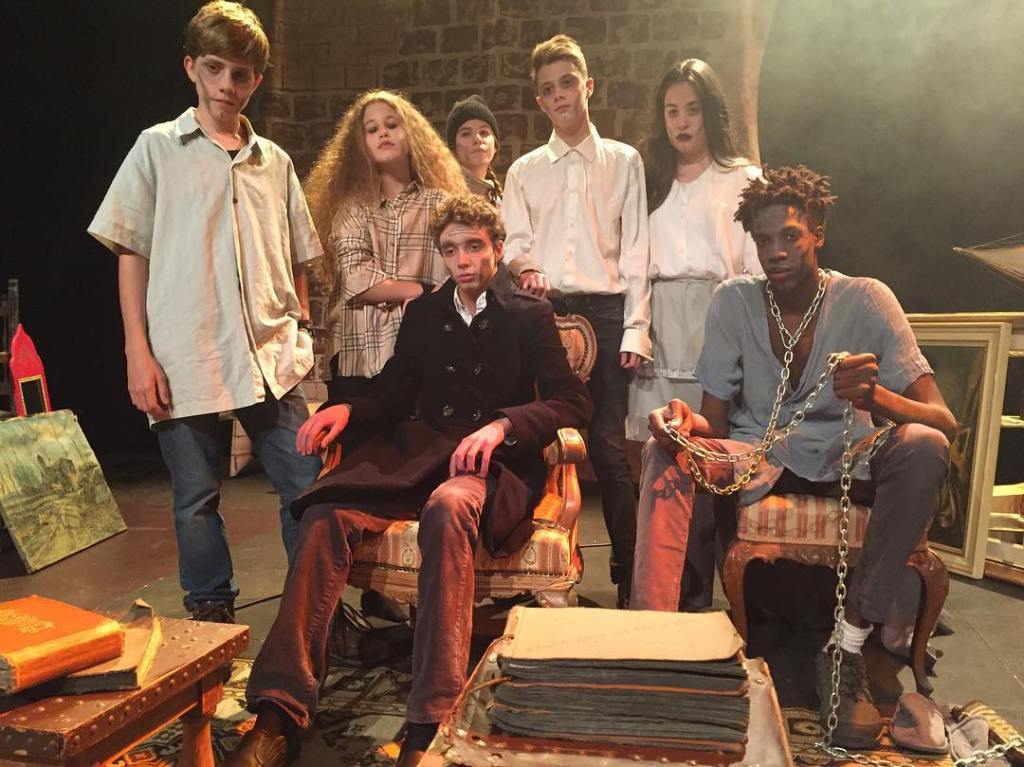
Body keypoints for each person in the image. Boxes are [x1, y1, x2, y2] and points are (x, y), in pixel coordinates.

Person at [226, 195, 591, 767]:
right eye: (450, 249)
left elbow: (572, 401)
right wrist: (350, 409)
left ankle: (430, 721)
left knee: (449, 508)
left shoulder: (528, 314)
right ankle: (280, 709)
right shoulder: (426, 312)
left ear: (497, 249)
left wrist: (503, 425)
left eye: (474, 246)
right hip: (421, 452)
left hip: (490, 464)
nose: (462, 260)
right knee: (325, 514)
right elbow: (395, 389)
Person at [633, 165, 955, 748]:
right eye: (763, 240)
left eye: (790, 236)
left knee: (925, 445)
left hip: (850, 455)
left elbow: (943, 419)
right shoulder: (734, 301)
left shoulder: (865, 298)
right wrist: (681, 422)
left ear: (818, 233)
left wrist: (877, 398)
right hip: (761, 452)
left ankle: (848, 646)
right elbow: (715, 423)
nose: (775, 251)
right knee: (664, 452)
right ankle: (653, 648)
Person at [87, 1, 322, 623]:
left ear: (256, 80)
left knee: (305, 488)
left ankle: (309, 612)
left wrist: (298, 323)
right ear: (191, 66)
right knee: (195, 496)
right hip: (183, 350)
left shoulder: (274, 161)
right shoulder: (157, 148)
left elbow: (297, 248)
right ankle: (210, 612)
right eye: (214, 68)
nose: (226, 84)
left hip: (268, 352)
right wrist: (137, 351)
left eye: (240, 74)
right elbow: (130, 250)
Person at [502, 34, 651, 607]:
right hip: (543, 312)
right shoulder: (524, 170)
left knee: (608, 448)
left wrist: (636, 328)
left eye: (568, 83)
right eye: (548, 89)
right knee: (538, 440)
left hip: (606, 312)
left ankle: (630, 576)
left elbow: (636, 250)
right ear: (539, 101)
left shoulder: (623, 160)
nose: (559, 95)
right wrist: (528, 268)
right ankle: (529, 571)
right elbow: (515, 242)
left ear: (588, 86)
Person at [627, 59, 763, 441]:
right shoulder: (648, 179)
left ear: (710, 113)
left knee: (712, 434)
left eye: (692, 110)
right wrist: (635, 328)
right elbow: (634, 258)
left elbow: (758, 269)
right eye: (672, 112)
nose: (682, 122)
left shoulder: (742, 178)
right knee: (657, 437)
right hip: (660, 321)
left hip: (718, 315)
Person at [304, 90, 468, 404]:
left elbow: (456, 274)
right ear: (361, 143)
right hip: (358, 354)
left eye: (392, 125)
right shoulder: (352, 208)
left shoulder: (441, 205)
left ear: (412, 134)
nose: (383, 133)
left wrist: (431, 299)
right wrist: (421, 291)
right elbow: (357, 279)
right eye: (372, 129)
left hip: (423, 351)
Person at [446, 94, 502, 207]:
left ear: (495, 146)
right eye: (466, 134)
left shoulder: (502, 201)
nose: (477, 139)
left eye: (484, 132)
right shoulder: (444, 198)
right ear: (453, 149)